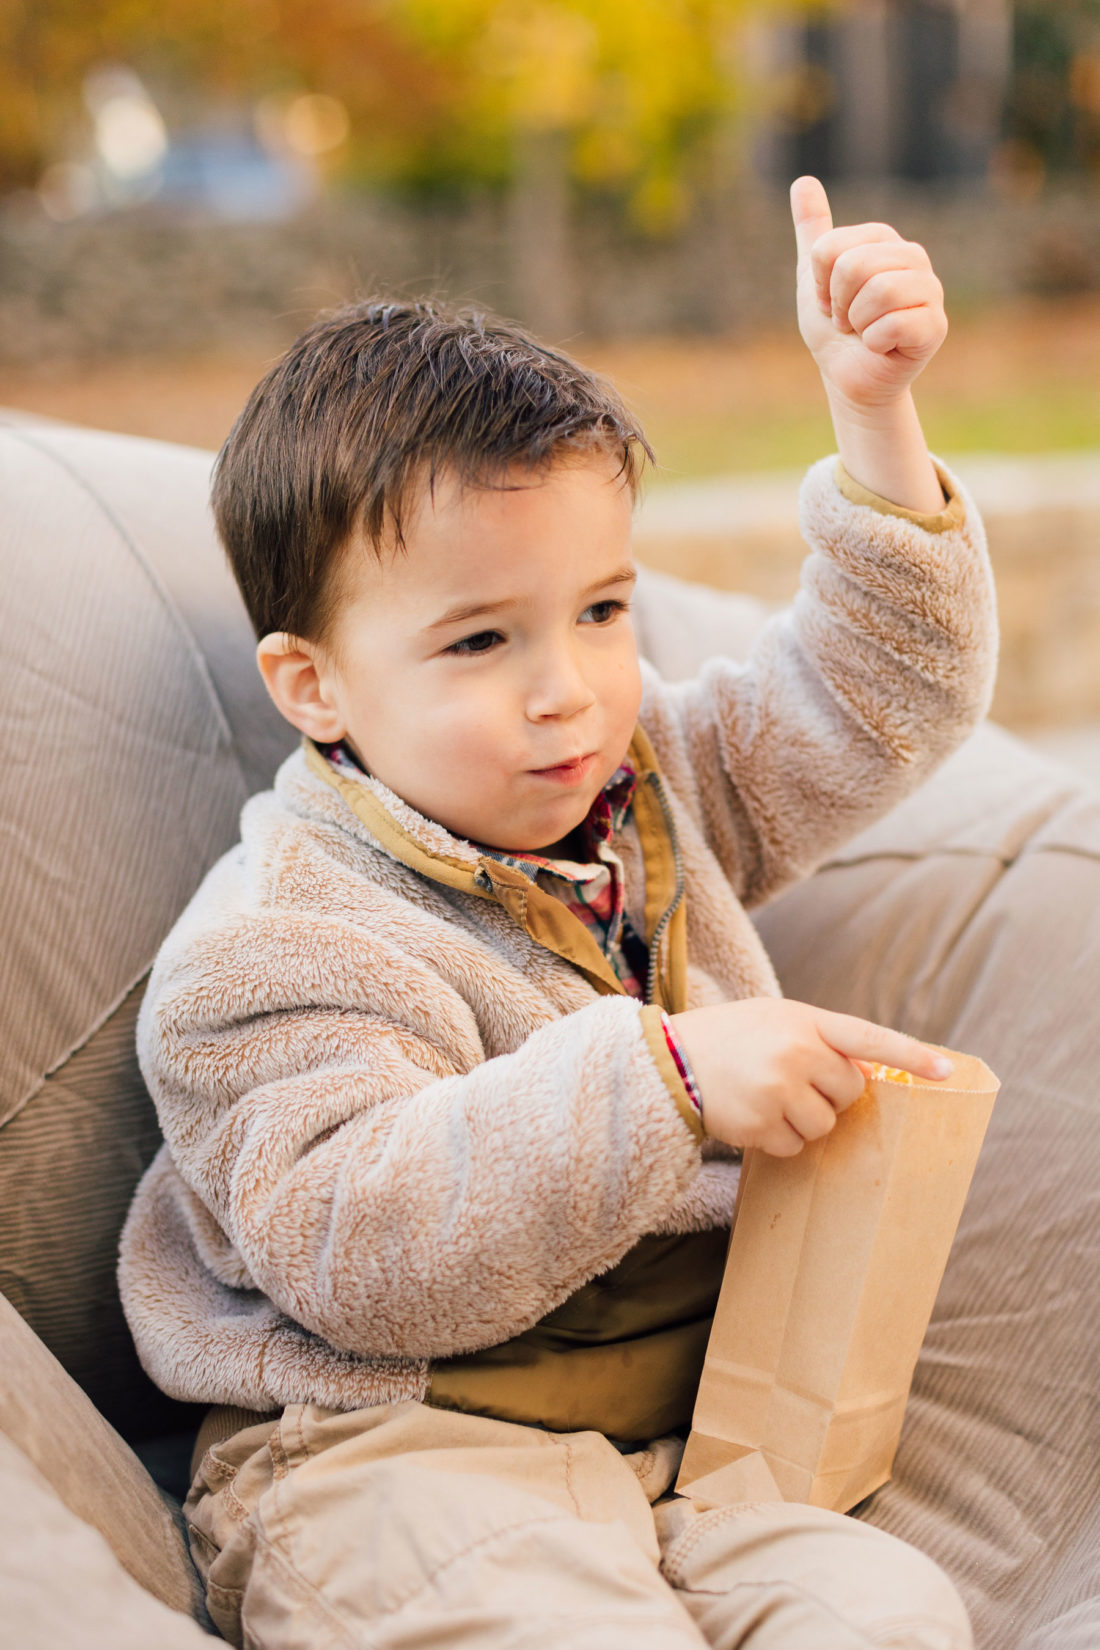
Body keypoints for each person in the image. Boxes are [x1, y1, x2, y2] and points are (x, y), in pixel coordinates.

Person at [119, 177, 997, 1649]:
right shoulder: (266, 952)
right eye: (480, 639)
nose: (567, 688)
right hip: (386, 1451)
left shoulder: (648, 774)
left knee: (891, 1611)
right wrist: (667, 1080)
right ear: (313, 684)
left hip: (687, 1446)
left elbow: (878, 695)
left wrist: (876, 417)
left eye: (601, 609)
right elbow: (366, 1248)